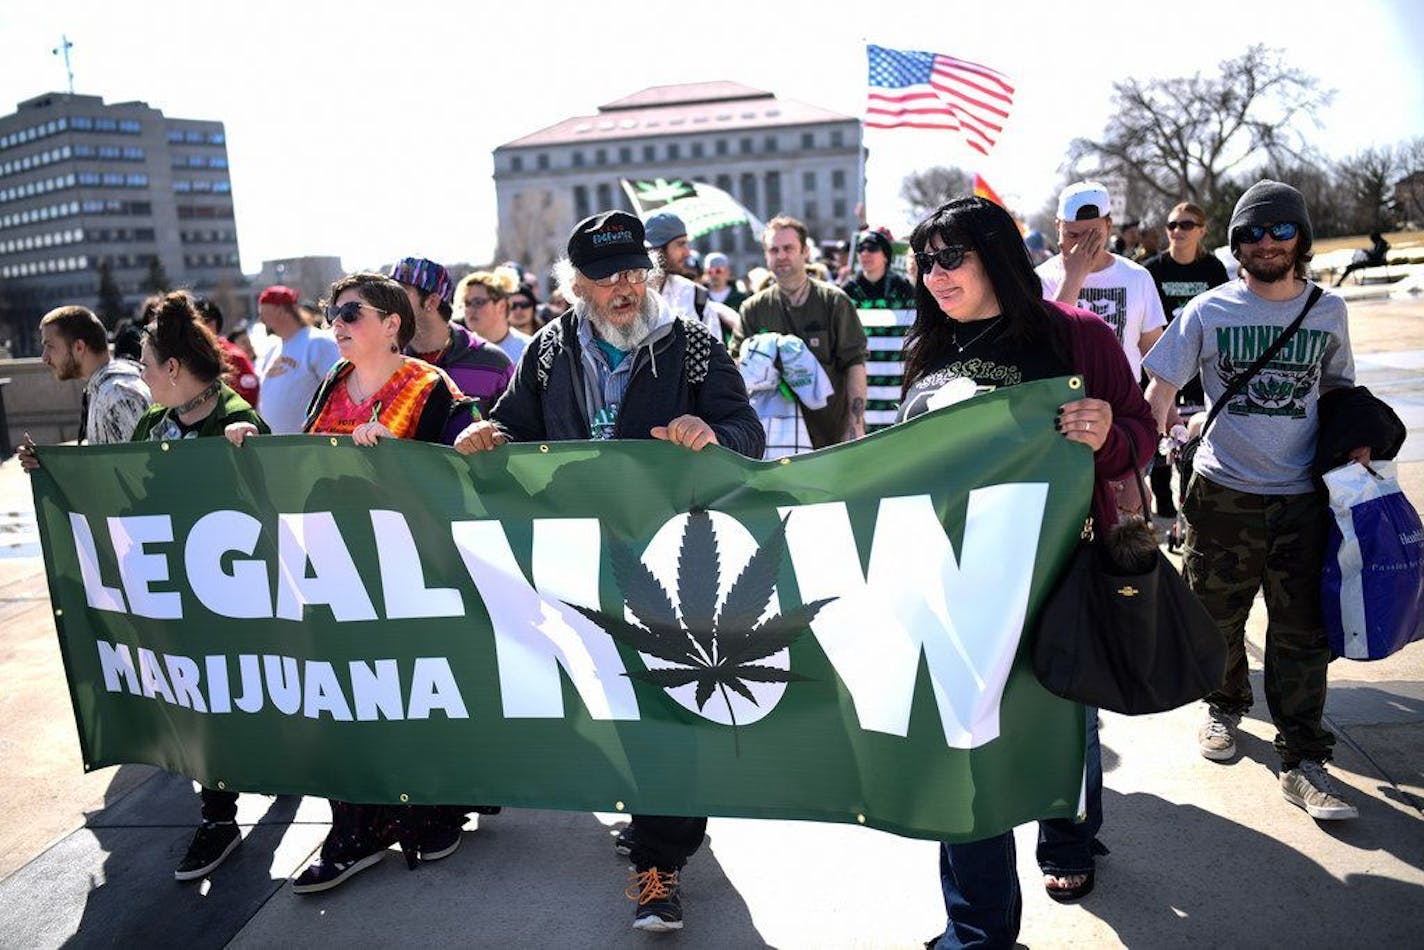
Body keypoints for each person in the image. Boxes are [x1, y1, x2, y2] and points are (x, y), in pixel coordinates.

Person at [453, 210, 763, 933]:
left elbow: (745, 429)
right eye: (606, 277)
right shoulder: (547, 350)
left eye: (633, 271)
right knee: (618, 704)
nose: (624, 287)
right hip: (580, 565)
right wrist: (486, 432)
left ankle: (661, 864)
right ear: (577, 286)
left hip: (672, 562)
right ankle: (661, 824)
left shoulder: (690, 347)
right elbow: (515, 427)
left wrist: (712, 434)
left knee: (668, 708)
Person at [897, 197, 1154, 948]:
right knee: (962, 762)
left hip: (1059, 583)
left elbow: (1141, 431)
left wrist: (1109, 434)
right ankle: (978, 933)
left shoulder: (1074, 333)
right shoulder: (928, 346)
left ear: (996, 255)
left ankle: (1068, 841)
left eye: (952, 258)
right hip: (955, 591)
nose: (935, 275)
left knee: (1060, 736)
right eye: (926, 261)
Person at [228, 273, 479, 892]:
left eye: (350, 312)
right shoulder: (334, 383)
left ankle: (434, 808)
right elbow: (306, 463)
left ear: (393, 322)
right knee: (346, 697)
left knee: (416, 692)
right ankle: (356, 827)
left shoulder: (429, 385)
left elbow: (473, 464)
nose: (335, 324)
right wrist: (255, 440)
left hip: (412, 572)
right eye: (330, 313)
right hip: (339, 570)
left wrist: (402, 453)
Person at [1144, 179, 1370, 822]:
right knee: (1215, 620)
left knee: (1302, 634)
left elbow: (1338, 390)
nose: (1266, 243)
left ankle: (1304, 758)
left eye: (1279, 230)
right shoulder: (1209, 310)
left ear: (1300, 237)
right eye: (1251, 232)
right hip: (1222, 496)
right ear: (1235, 242)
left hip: (1304, 498)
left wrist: (1355, 448)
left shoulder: (1328, 311)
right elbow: (1160, 390)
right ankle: (1224, 707)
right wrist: (1135, 465)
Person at [109, 293, 273, 880]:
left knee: (233, 705)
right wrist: (52, 474)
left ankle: (228, 810)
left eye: (146, 366)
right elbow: (122, 490)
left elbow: (266, 510)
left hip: (232, 603)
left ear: (173, 369)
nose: (144, 378)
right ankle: (219, 813)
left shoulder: (239, 422)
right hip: (174, 596)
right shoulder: (156, 423)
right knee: (201, 706)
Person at [733, 215, 869, 448]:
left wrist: (855, 425)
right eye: (773, 250)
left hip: (830, 437)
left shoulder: (834, 301)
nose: (781, 255)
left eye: (788, 248)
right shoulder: (753, 309)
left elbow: (854, 365)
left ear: (805, 251)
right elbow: (736, 367)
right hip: (774, 442)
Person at [1143, 203, 1230, 517]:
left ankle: (1196, 501)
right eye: (1172, 225)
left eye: (1187, 224)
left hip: (1202, 366)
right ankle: (1163, 501)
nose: (1178, 231)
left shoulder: (1213, 269)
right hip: (1163, 366)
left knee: (1195, 438)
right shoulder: (1153, 270)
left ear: (1202, 230)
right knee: (1161, 436)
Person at [1037, 182, 1167, 382]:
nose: (1082, 244)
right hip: (1063, 403)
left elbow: (1155, 358)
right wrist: (1073, 277)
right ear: (1058, 228)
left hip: (1123, 405)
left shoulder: (1137, 276)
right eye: (1072, 235)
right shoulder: (1039, 279)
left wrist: (1163, 410)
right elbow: (1046, 347)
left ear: (1108, 227)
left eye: (1092, 235)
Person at [390, 256, 514, 418]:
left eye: (400, 292)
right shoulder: (385, 360)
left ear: (431, 302)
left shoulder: (493, 363)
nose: (389, 301)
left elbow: (515, 431)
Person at [30, 305, 150, 449]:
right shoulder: (105, 389)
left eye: (50, 346)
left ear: (79, 347)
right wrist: (43, 463)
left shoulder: (118, 395)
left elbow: (145, 464)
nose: (44, 357)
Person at [254, 284, 340, 434]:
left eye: (263, 312)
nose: (260, 319)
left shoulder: (317, 342)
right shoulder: (272, 349)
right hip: (275, 448)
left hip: (310, 447)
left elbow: (339, 391)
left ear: (280, 310)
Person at [644, 211, 736, 337]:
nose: (687, 253)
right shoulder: (631, 295)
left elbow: (715, 350)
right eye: (680, 244)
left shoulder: (696, 296)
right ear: (658, 249)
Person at [191, 295, 260, 408]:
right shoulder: (185, 358)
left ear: (213, 324)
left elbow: (250, 395)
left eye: (203, 322)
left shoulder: (234, 356)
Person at [458, 267, 532, 367]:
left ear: (501, 306)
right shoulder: (458, 353)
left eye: (478, 302)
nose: (470, 309)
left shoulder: (528, 349)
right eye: (467, 303)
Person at [841, 226, 915, 307]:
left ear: (885, 256)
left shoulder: (903, 288)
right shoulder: (848, 289)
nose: (865, 254)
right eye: (860, 249)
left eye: (872, 248)